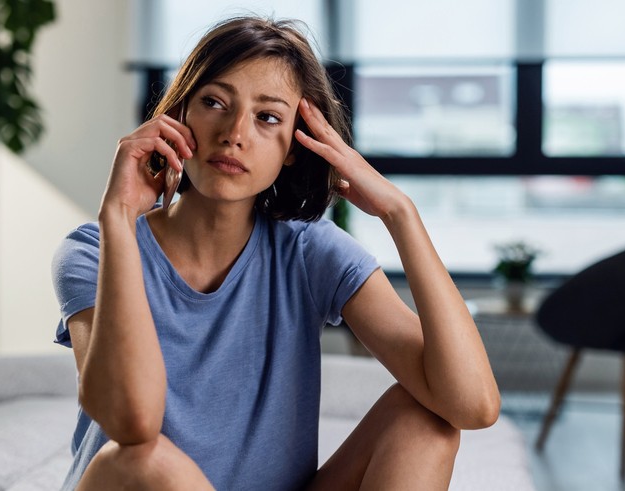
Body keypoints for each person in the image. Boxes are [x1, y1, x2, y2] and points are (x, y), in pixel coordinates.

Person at [52, 16, 500, 490]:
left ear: (294, 146)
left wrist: (399, 213)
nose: (234, 132)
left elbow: (471, 405)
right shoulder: (94, 251)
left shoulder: (310, 252)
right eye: (214, 103)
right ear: (180, 115)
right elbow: (132, 423)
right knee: (146, 462)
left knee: (425, 421)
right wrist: (119, 216)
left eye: (267, 117)